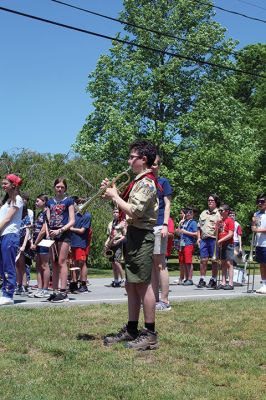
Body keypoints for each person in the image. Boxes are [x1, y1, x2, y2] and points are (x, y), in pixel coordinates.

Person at [102, 140, 159, 350]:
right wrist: (113, 192)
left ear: (143, 160)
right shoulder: (137, 181)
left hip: (142, 235)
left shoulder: (146, 183)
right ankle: (132, 329)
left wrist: (115, 195)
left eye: (132, 157)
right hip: (133, 234)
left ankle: (150, 333)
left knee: (143, 285)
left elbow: (135, 211)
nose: (129, 160)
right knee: (131, 284)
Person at [46, 178, 75, 303]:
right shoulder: (49, 202)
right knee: (54, 263)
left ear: (65, 189)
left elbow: (72, 220)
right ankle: (55, 290)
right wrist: (48, 234)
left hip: (64, 233)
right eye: (57, 186)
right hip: (52, 234)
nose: (59, 189)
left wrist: (60, 230)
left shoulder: (69, 201)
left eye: (62, 187)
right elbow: (47, 221)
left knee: (62, 261)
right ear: (54, 187)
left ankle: (63, 292)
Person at [151, 155, 172, 312]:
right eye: (151, 164)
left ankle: (165, 300)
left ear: (159, 166)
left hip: (159, 225)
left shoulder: (163, 182)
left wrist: (165, 224)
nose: (153, 167)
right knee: (152, 264)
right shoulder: (145, 182)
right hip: (147, 226)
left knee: (160, 263)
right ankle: (153, 298)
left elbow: (167, 204)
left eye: (156, 164)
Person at [0, 174, 23, 305]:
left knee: (8, 265)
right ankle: (4, 292)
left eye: (5, 183)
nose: (3, 186)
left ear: (13, 185)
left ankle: (8, 294)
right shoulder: (7, 201)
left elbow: (8, 219)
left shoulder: (17, 199)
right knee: (2, 265)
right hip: (3, 235)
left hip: (10, 234)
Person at [197, 194, 221, 288]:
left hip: (214, 239)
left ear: (216, 202)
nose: (210, 202)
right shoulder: (203, 213)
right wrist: (198, 238)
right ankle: (202, 279)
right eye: (209, 200)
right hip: (204, 239)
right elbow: (199, 227)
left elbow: (221, 228)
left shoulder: (219, 213)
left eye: (212, 200)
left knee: (214, 260)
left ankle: (213, 279)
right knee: (203, 260)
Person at [70, 197, 92, 293]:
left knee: (82, 263)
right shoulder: (75, 215)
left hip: (81, 242)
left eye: (78, 203)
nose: (76, 205)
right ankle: (74, 283)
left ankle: (83, 284)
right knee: (73, 263)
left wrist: (70, 228)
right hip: (73, 242)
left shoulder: (87, 215)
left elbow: (82, 230)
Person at [30, 194, 50, 298]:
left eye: (38, 201)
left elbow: (43, 230)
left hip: (44, 242)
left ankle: (45, 289)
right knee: (38, 266)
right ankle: (40, 288)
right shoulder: (40, 213)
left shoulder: (47, 212)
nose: (36, 203)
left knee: (44, 265)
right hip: (37, 242)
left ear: (44, 201)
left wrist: (35, 243)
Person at [104, 208, 126, 288]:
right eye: (114, 212)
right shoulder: (110, 224)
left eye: (117, 212)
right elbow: (109, 236)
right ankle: (116, 280)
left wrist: (118, 241)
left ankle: (124, 280)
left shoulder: (122, 223)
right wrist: (106, 243)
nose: (115, 213)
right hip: (111, 243)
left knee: (117, 261)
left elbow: (125, 235)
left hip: (118, 242)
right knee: (113, 262)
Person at [176, 208, 198, 286]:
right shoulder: (184, 222)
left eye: (190, 213)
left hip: (189, 243)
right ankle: (186, 278)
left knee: (188, 262)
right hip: (182, 244)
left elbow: (196, 234)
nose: (188, 214)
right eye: (187, 213)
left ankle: (190, 279)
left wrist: (186, 232)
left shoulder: (193, 222)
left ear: (192, 214)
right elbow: (178, 233)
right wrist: (179, 224)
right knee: (183, 262)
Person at [216, 204, 235, 290]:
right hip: (222, 244)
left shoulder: (230, 220)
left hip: (228, 244)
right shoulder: (221, 221)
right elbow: (217, 232)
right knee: (223, 263)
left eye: (221, 211)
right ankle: (223, 282)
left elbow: (230, 234)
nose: (219, 212)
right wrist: (217, 225)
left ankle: (230, 283)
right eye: (219, 211)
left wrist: (220, 240)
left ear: (226, 212)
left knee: (229, 263)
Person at [15, 202, 32, 295]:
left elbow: (27, 232)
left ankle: (25, 285)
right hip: (15, 242)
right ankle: (19, 284)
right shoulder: (15, 218)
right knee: (16, 265)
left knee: (22, 265)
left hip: (22, 243)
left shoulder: (26, 218)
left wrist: (24, 245)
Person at [252, 193, 266, 294]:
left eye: (262, 202)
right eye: (259, 202)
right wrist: (253, 222)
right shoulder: (256, 214)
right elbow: (253, 228)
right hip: (259, 243)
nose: (260, 203)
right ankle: (264, 284)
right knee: (262, 264)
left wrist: (257, 230)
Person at [173, 208, 186, 285]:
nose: (180, 214)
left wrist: (178, 228)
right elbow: (177, 233)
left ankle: (186, 278)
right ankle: (181, 277)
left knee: (185, 261)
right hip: (180, 242)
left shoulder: (185, 222)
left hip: (185, 242)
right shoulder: (181, 222)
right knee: (181, 261)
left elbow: (179, 232)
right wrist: (178, 225)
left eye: (181, 213)